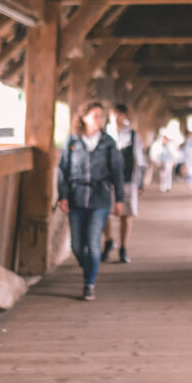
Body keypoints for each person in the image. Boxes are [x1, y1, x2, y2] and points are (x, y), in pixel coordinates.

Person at [57, 100, 124, 301]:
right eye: (95, 116)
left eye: (101, 116)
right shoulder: (72, 142)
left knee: (94, 243)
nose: (99, 120)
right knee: (77, 246)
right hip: (77, 197)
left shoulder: (108, 143)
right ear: (84, 118)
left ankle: (89, 284)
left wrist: (119, 199)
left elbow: (117, 172)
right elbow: (63, 171)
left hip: (100, 198)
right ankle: (89, 267)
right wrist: (62, 195)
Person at [102, 103, 146, 264]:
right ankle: (108, 241)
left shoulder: (133, 136)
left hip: (127, 180)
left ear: (125, 116)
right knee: (104, 212)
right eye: (113, 115)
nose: (115, 118)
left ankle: (123, 247)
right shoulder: (104, 134)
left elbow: (140, 161)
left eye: (118, 115)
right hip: (106, 181)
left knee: (126, 214)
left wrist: (141, 182)